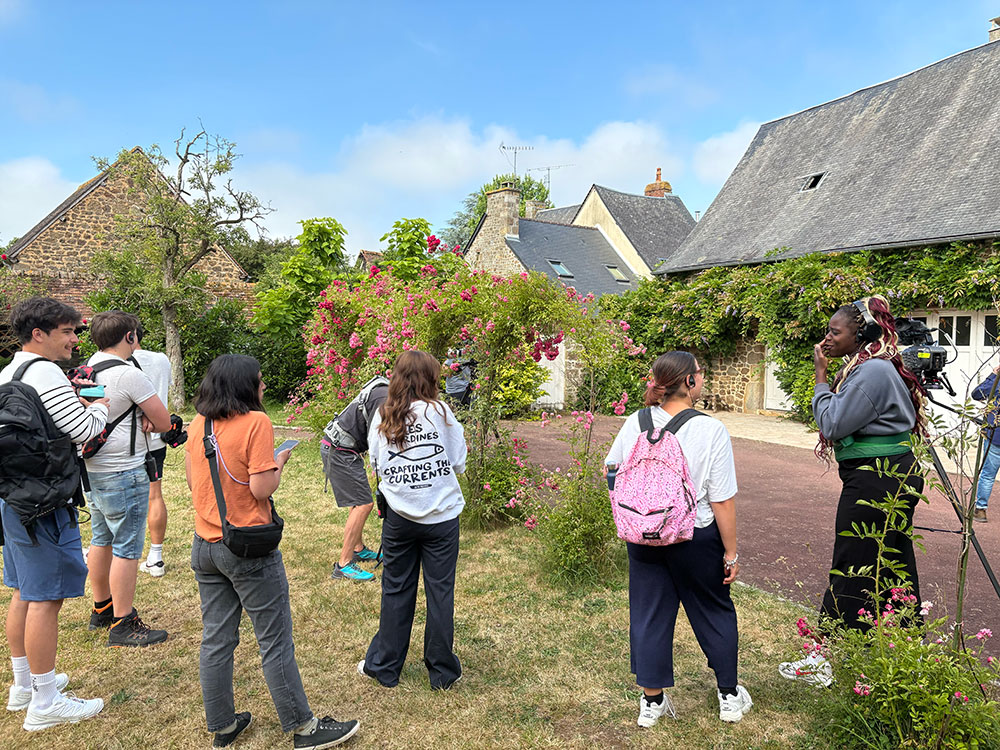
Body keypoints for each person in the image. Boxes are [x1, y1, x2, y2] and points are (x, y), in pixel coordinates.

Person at [186, 355, 360, 748]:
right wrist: (278, 462)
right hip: (247, 548)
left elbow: (195, 483)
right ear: (244, 386)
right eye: (260, 380)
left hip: (205, 547)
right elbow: (261, 488)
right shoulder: (256, 422)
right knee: (274, 640)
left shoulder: (200, 424)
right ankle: (304, 728)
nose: (264, 386)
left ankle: (223, 725)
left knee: (216, 639)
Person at [780, 295, 926, 687]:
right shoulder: (870, 366)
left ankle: (822, 659)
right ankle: (908, 654)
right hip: (889, 475)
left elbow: (832, 423)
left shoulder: (872, 371)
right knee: (892, 562)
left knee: (851, 564)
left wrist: (820, 378)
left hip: (877, 479)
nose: (827, 338)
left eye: (835, 331)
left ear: (859, 333)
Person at [605, 350, 750, 727]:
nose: (702, 378)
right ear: (689, 381)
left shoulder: (635, 422)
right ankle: (729, 696)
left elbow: (612, 470)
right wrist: (731, 553)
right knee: (713, 609)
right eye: (700, 373)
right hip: (694, 534)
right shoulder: (710, 430)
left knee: (648, 613)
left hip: (643, 534)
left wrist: (637, 512)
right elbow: (722, 499)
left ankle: (651, 702)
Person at [0, 297, 108, 730]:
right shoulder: (45, 373)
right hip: (45, 503)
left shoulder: (9, 371)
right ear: (38, 334)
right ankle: (45, 703)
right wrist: (98, 404)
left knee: (24, 591)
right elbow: (84, 430)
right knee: (46, 598)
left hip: (13, 497)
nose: (74, 340)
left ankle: (24, 685)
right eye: (67, 331)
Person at [357, 350, 467, 689]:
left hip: (399, 516)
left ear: (397, 379)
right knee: (440, 592)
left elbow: (377, 463)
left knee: (396, 589)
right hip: (441, 517)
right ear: (430, 379)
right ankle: (442, 673)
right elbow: (458, 462)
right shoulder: (441, 412)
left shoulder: (384, 415)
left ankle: (385, 667)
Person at [84, 311, 172, 647]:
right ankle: (124, 622)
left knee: (101, 539)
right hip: (124, 468)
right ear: (130, 337)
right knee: (127, 547)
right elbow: (163, 421)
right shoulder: (128, 373)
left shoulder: (89, 369)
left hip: (94, 469)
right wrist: (148, 418)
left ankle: (102, 608)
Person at [320, 377, 388, 582]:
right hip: (339, 450)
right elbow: (378, 439)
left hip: (342, 448)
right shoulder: (385, 398)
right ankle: (343, 564)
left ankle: (358, 549)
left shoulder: (385, 391)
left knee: (358, 501)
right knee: (364, 504)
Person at [130, 322, 173, 576]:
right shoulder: (161, 360)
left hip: (123, 443)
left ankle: (110, 551)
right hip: (156, 439)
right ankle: (156, 557)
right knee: (154, 494)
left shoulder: (111, 362)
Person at [971, 365, 1000, 523]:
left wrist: (993, 375)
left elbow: (977, 394)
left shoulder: (998, 382)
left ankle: (981, 509)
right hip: (995, 436)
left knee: (988, 475)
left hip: (995, 436)